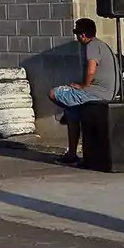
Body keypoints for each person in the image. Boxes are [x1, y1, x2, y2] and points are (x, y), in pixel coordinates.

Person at [46, 17, 117, 165]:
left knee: (53, 93)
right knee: (71, 113)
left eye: (78, 34)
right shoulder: (102, 45)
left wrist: (83, 86)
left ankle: (71, 111)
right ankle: (71, 154)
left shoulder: (91, 46)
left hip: (97, 93)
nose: (78, 38)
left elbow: (91, 70)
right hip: (105, 92)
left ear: (83, 35)